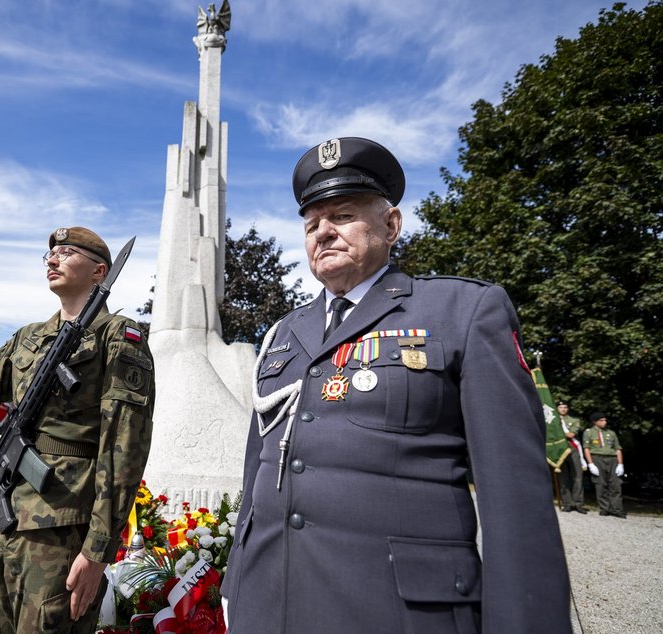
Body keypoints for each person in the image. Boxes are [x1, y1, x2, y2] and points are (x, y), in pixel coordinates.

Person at [221, 137, 571, 633]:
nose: (323, 233)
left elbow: (516, 497)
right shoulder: (282, 334)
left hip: (398, 612)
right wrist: (236, 585)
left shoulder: (461, 312)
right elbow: (257, 471)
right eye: (311, 224)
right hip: (267, 605)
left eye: (341, 215)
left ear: (391, 225)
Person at [0, 227, 155, 633]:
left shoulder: (119, 336)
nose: (53, 260)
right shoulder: (29, 337)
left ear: (99, 271)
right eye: (50, 254)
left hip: (61, 531)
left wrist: (97, 551)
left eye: (67, 252)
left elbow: (123, 447)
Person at [583, 412, 626, 518]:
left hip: (612, 459)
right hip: (597, 458)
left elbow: (618, 449)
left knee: (615, 485)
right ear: (595, 422)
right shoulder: (589, 433)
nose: (604, 422)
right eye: (601, 420)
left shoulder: (611, 433)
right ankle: (604, 508)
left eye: (605, 420)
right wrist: (590, 464)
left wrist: (620, 464)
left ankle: (616, 509)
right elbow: (586, 449)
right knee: (600, 484)